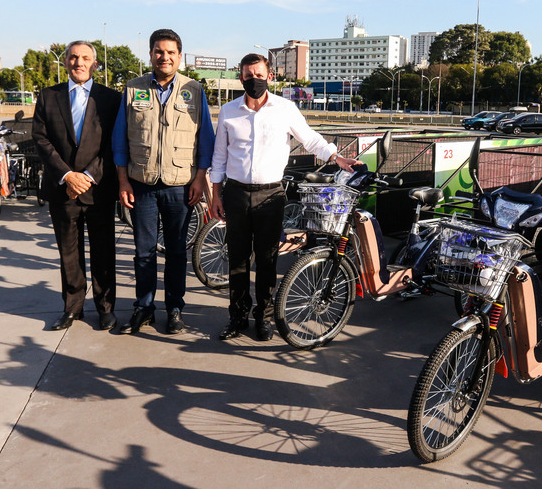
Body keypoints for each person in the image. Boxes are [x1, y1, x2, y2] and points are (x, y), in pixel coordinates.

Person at [210, 53, 361, 341]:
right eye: (248, 74)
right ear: (240, 77)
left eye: (259, 74)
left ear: (270, 76)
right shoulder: (229, 111)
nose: (253, 79)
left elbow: (310, 138)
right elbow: (219, 157)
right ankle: (237, 317)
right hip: (236, 194)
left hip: (270, 196)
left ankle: (264, 318)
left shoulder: (284, 109)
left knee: (267, 261)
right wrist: (216, 195)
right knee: (238, 261)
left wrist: (337, 158)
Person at [113, 29, 215, 335]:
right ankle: (143, 307)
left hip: (180, 185)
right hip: (141, 184)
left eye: (171, 52)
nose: (164, 57)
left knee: (176, 252)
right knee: (143, 251)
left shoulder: (194, 90)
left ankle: (174, 309)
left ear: (179, 57)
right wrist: (123, 182)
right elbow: (120, 139)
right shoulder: (133, 89)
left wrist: (199, 178)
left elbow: (205, 140)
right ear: (150, 54)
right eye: (159, 51)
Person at [32, 40, 121, 331]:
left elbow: (113, 144)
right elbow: (41, 139)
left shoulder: (111, 99)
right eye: (73, 57)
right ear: (66, 62)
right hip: (62, 188)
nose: (79, 63)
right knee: (68, 252)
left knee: (103, 249)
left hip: (98, 189)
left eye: (85, 58)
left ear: (95, 64)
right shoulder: (48, 96)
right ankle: (72, 308)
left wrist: (88, 176)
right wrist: (68, 175)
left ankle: (106, 307)